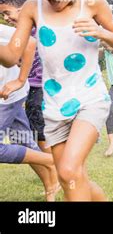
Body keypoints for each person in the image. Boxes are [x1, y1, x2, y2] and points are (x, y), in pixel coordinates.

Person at [0, 0, 113, 200]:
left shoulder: (92, 2)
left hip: (90, 100)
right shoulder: (31, 8)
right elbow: (12, 56)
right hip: (54, 107)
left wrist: (100, 31)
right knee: (73, 176)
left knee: (68, 170)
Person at [0, 23, 60, 201]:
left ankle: (52, 161)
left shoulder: (3, 31)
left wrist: (20, 79)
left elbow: (29, 42)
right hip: (11, 95)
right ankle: (51, 184)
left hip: (7, 96)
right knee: (23, 141)